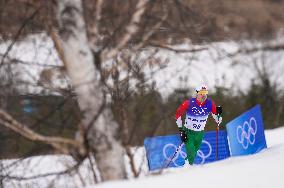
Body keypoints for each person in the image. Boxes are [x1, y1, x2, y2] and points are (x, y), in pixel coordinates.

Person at [175, 85, 222, 166]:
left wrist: (219, 115)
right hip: (188, 132)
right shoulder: (189, 103)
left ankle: (186, 166)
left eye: (205, 93)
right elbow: (177, 115)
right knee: (191, 150)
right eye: (201, 93)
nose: (204, 95)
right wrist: (181, 130)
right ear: (197, 93)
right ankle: (187, 167)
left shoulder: (210, 103)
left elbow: (218, 119)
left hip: (200, 133)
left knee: (194, 152)